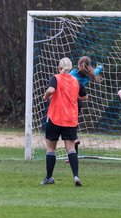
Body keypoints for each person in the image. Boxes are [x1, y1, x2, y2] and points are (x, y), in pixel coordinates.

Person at [40, 57, 88, 186]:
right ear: (71, 68)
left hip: (55, 117)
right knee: (71, 148)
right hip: (70, 118)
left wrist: (45, 96)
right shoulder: (76, 81)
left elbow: (51, 90)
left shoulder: (56, 78)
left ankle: (49, 177)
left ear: (59, 68)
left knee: (51, 148)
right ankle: (76, 176)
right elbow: (84, 96)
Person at [69, 56, 102, 155]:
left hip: (70, 101)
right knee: (73, 123)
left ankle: (74, 139)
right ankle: (74, 153)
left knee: (68, 125)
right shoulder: (89, 75)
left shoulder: (73, 73)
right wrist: (100, 66)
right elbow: (97, 70)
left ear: (79, 64)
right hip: (78, 102)